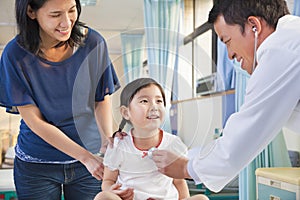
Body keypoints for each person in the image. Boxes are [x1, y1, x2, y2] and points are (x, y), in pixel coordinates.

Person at [152, 0, 300, 193]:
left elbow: (244, 134)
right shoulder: (291, 38)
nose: (229, 56)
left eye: (227, 41)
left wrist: (185, 167)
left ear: (254, 26)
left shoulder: (280, 49)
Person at [0, 0, 120, 199]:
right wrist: (85, 157)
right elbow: (35, 121)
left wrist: (106, 139)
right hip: (38, 164)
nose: (67, 22)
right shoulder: (15, 55)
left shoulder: (93, 43)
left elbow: (100, 99)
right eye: (55, 15)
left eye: (71, 11)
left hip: (90, 161)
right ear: (31, 12)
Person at [93, 78, 209, 200]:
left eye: (159, 101)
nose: (154, 106)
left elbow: (179, 182)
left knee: (202, 199)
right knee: (103, 197)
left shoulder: (173, 143)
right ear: (126, 112)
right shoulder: (118, 145)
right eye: (144, 101)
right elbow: (108, 180)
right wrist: (111, 190)